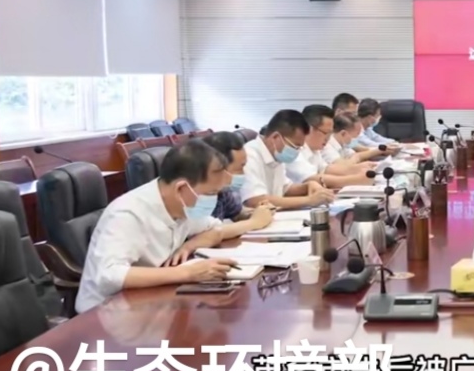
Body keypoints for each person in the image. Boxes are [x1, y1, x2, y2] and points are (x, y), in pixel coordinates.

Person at [75, 140, 238, 313]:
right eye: (210, 193)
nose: (214, 200)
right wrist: (188, 273)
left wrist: (189, 246)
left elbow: (214, 228)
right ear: (181, 188)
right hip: (105, 314)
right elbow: (109, 275)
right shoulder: (129, 213)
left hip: (150, 299)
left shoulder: (182, 205)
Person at [240, 109, 336, 210]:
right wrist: (308, 200)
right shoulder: (249, 155)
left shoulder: (276, 155)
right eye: (295, 146)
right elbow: (255, 200)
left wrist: (308, 186)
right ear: (276, 137)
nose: (297, 152)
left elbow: (285, 188)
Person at [202, 131, 276, 236]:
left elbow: (237, 215)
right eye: (240, 168)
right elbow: (207, 234)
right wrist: (254, 222)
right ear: (218, 168)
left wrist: (260, 212)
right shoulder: (195, 196)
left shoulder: (223, 192)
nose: (243, 173)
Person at [287, 104, 373, 188]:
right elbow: (310, 179)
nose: (328, 138)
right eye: (326, 133)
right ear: (309, 129)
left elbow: (326, 169)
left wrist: (358, 169)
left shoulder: (314, 149)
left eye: (330, 133)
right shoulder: (293, 150)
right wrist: (355, 180)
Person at [323, 112, 387, 165]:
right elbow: (342, 165)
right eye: (356, 134)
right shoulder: (327, 146)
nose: (357, 138)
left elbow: (355, 156)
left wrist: (379, 152)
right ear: (343, 134)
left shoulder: (343, 143)